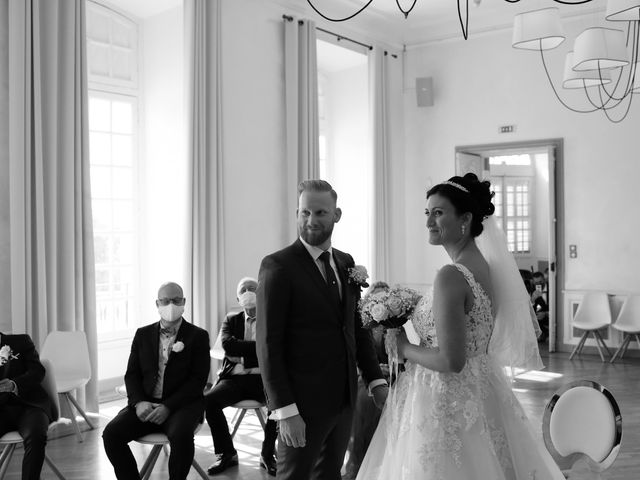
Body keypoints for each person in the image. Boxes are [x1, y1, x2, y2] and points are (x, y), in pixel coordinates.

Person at [356, 174, 564, 479]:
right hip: (481, 389)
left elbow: (451, 361)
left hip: (444, 399)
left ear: (465, 219)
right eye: (427, 213)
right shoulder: (484, 268)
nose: (429, 222)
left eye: (438, 213)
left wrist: (403, 347)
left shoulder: (451, 276)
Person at [256, 179, 388, 480]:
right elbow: (267, 346)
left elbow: (356, 328)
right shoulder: (278, 266)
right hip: (301, 405)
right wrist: (286, 411)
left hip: (344, 400)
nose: (311, 221)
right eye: (305, 213)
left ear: (336, 215)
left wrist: (375, 381)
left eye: (320, 213)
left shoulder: (345, 262)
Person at [103, 281, 210, 480]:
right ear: (157, 304)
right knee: (111, 434)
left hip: (181, 406)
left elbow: (197, 381)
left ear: (184, 302)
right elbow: (132, 374)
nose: (171, 305)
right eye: (165, 300)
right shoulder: (142, 334)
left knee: (181, 436)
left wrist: (168, 406)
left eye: (176, 300)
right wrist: (138, 402)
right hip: (146, 403)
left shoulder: (198, 336)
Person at [205, 277, 278, 476]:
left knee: (278, 402)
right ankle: (227, 453)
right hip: (234, 380)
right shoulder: (231, 319)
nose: (248, 292)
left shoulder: (272, 319)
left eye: (252, 288)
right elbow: (228, 345)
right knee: (209, 402)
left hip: (264, 378)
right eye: (243, 290)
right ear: (238, 299)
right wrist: (258, 351)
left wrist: (244, 359)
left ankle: (267, 454)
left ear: (261, 293)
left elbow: (272, 349)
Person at [343, 281, 390, 480]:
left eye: (385, 298)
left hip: (391, 377)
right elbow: (355, 357)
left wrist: (390, 368)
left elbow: (400, 358)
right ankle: (358, 462)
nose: (381, 301)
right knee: (365, 399)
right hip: (364, 378)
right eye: (377, 297)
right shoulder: (362, 325)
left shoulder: (392, 326)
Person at [0, 333, 54, 480]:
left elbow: (38, 372)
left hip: (30, 405)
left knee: (36, 435)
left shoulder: (20, 341)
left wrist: (13, 384)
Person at [532, 271, 549, 342]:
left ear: (544, 280)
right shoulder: (531, 290)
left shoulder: (551, 289)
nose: (539, 284)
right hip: (537, 316)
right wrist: (532, 300)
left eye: (540, 282)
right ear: (533, 283)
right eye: (536, 283)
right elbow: (529, 309)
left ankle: (547, 333)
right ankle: (541, 334)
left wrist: (545, 313)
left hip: (549, 316)